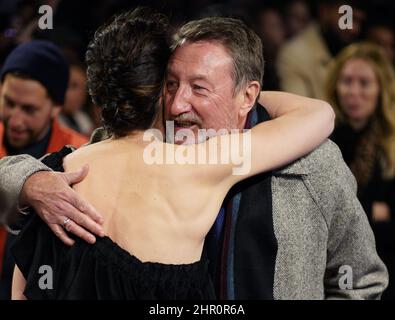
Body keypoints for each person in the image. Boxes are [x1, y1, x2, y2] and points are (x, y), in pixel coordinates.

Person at [0, 13, 388, 299]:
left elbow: (361, 279)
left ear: (247, 95)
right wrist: (29, 182)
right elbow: (51, 165)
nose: (178, 102)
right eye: (170, 85)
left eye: (199, 88)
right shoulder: (139, 146)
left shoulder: (312, 164)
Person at [0, 40, 88, 299]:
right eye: (8, 103)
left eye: (29, 110)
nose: (16, 120)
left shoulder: (79, 154)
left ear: (56, 107)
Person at [326, 42, 395, 299]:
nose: (353, 91)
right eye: (346, 81)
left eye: (364, 83)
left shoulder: (389, 144)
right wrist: (371, 209)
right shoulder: (325, 140)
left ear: (381, 89)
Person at [277, 0, 366, 99]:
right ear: (325, 11)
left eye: (358, 21)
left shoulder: (359, 52)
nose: (354, 28)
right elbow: (299, 110)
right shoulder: (295, 54)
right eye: (346, 18)